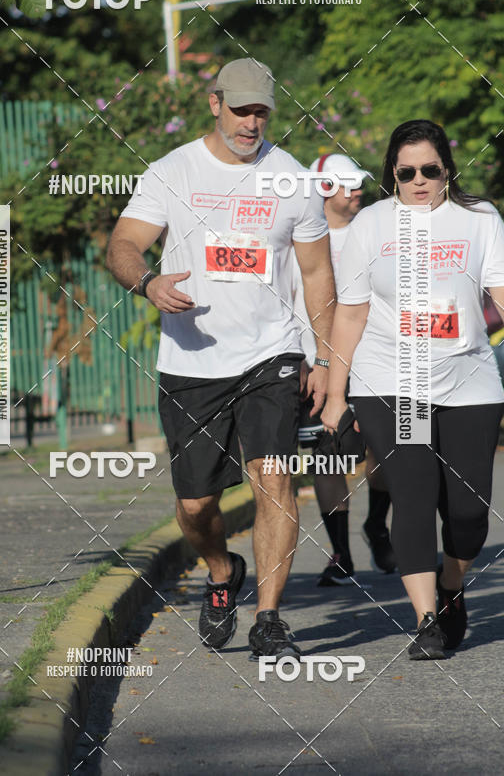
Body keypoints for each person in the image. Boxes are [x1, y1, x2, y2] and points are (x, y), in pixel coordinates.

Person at [106, 58, 335, 659]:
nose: (251, 122)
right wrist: (148, 282)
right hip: (193, 361)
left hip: (273, 354)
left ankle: (268, 617)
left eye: (261, 111)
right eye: (241, 110)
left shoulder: (291, 179)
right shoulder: (172, 171)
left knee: (275, 478)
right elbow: (124, 244)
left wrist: (325, 358)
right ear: (215, 104)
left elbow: (316, 274)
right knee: (195, 505)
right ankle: (220, 571)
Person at [322, 119, 504, 660]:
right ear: (392, 176)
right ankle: (426, 619)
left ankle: (451, 585)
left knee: (469, 516)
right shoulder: (371, 226)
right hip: (394, 383)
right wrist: (336, 394)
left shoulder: (479, 219)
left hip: (468, 378)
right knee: (414, 496)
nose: (419, 181)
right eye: (407, 173)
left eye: (430, 170)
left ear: (447, 168)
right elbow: (350, 314)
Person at [292, 154, 395, 586]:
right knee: (328, 454)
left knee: (386, 450)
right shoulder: (297, 235)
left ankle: (376, 525)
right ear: (324, 189)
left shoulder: (372, 231)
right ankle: (342, 554)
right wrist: (299, 355)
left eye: (358, 185)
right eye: (348, 185)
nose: (357, 192)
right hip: (316, 361)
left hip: (374, 357)